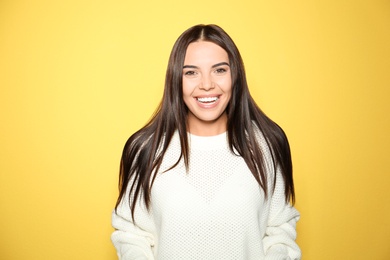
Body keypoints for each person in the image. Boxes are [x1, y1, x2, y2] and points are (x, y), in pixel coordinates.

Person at [111, 24, 301, 259]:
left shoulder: (266, 145)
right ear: (176, 80)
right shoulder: (147, 149)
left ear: (235, 76)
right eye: (191, 72)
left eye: (219, 70)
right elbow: (132, 234)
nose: (207, 84)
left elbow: (279, 229)